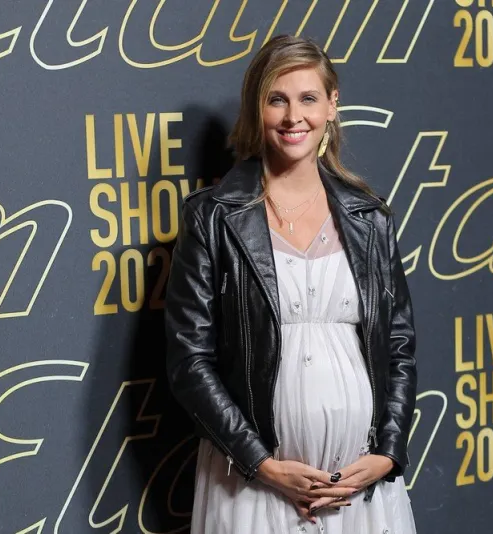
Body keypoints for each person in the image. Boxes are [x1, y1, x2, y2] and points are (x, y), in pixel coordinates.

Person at [165, 34, 418, 533]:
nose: (292, 117)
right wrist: (261, 464)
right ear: (255, 108)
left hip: (358, 489)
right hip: (252, 485)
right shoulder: (213, 218)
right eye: (276, 100)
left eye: (307, 99)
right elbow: (188, 359)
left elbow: (399, 345)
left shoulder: (370, 218)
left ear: (331, 106)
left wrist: (388, 453)